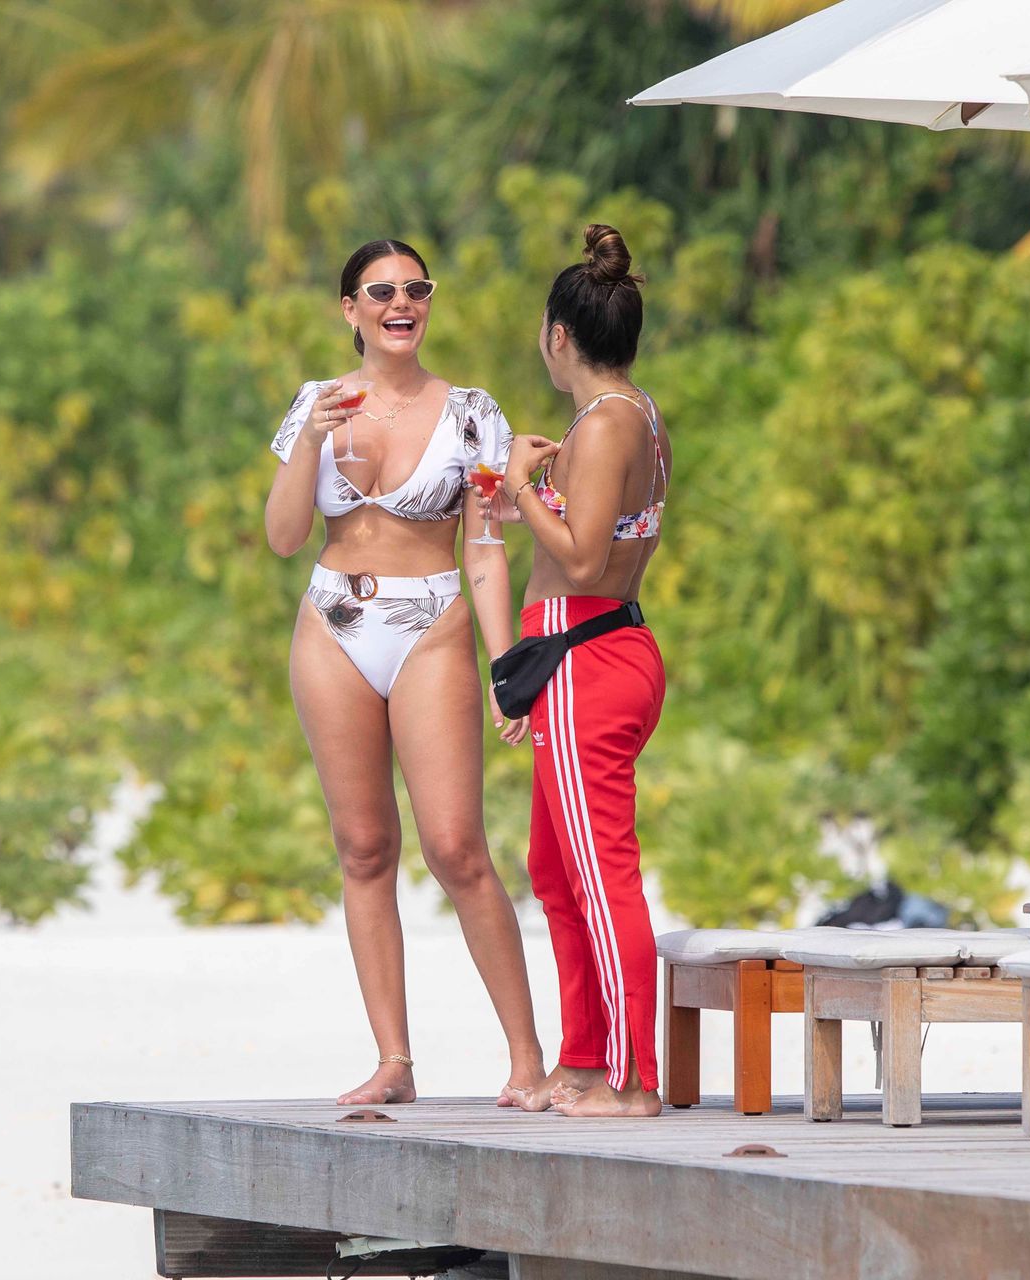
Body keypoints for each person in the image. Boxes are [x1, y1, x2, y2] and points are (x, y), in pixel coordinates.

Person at [264, 238, 546, 1108]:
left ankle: (527, 1059)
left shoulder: (472, 413)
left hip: (431, 622)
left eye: (416, 289)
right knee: (363, 847)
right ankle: (395, 1060)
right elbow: (283, 536)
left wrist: (507, 664)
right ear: (349, 309)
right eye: (381, 292)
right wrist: (310, 443)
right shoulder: (316, 403)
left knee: (458, 848)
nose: (402, 304)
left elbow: (486, 547)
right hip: (332, 623)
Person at [484, 224, 671, 1118]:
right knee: (556, 869)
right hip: (591, 648)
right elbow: (601, 529)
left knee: (598, 873)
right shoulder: (635, 415)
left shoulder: (602, 425)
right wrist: (527, 502)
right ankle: (585, 1062)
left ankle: (633, 1082)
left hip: (587, 653)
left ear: (558, 335)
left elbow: (587, 560)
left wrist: (523, 486)